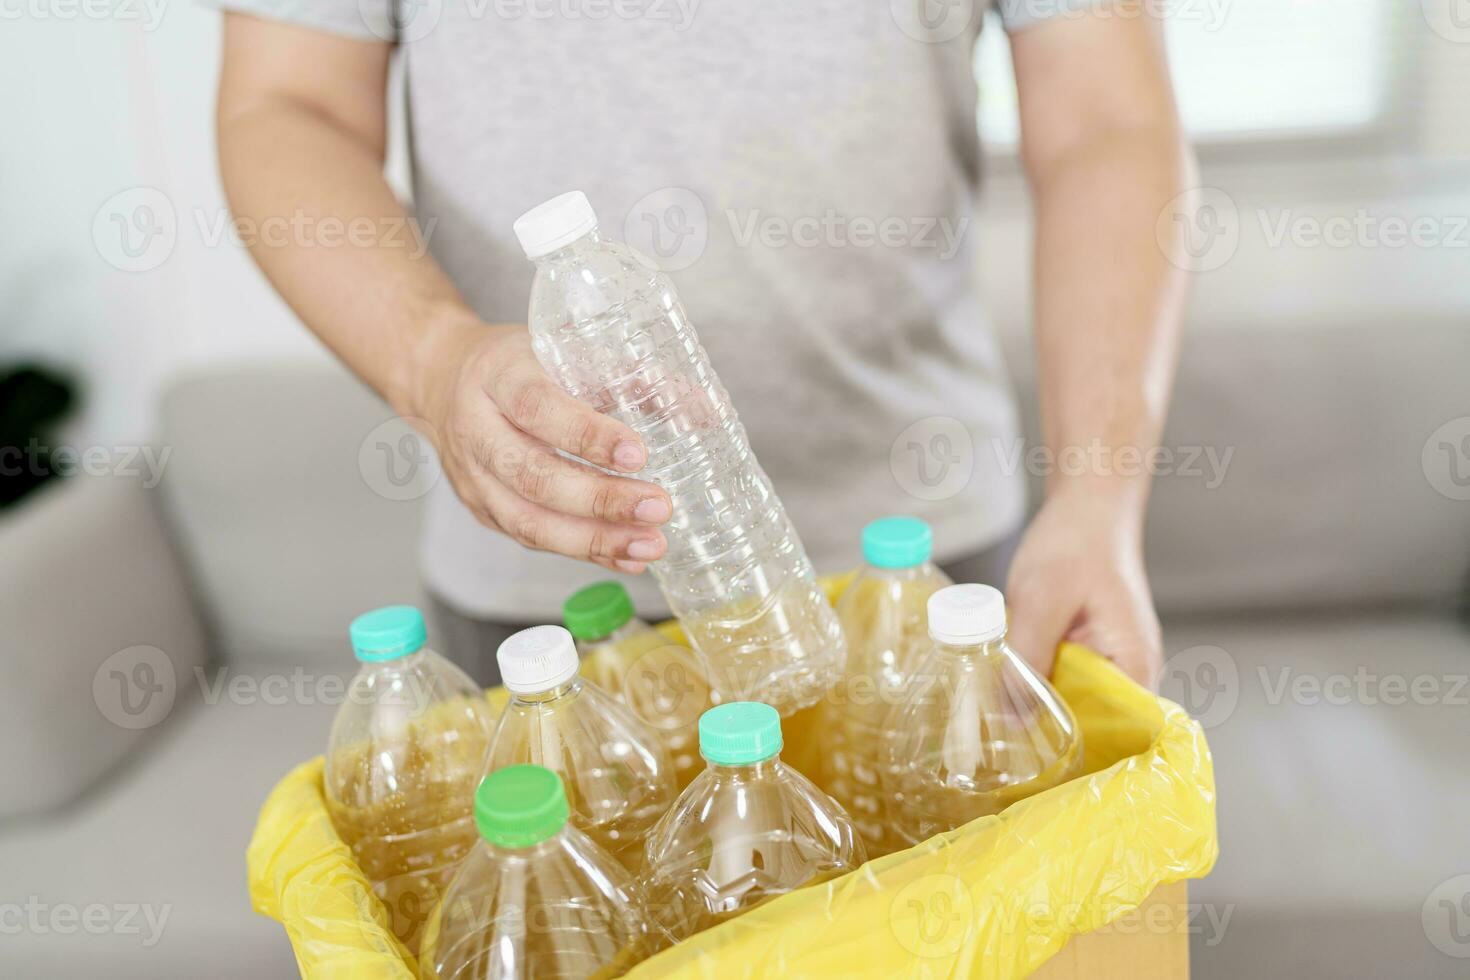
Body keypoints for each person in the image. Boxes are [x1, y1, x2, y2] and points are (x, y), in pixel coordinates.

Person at [214, 0, 1190, 688]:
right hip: (544, 586)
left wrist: (1099, 495)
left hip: (926, 565)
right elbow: (286, 108)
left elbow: (1107, 119)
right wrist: (433, 361)